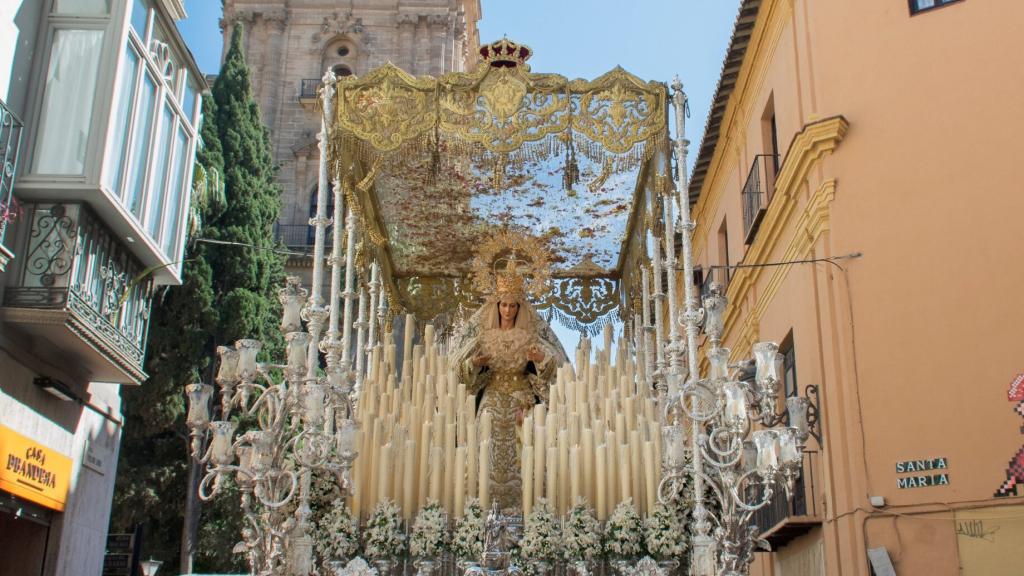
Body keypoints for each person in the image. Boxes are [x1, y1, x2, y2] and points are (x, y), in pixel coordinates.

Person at [452, 259, 568, 513]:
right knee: (484, 450)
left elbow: (558, 363)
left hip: (521, 402)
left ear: (519, 307)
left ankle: (526, 509)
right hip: (491, 401)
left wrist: (540, 360)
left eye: (513, 306)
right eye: (503, 305)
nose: (507, 311)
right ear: (496, 305)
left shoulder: (530, 334)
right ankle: (481, 508)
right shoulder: (484, 334)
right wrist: (475, 363)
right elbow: (458, 368)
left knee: (526, 453)